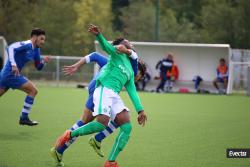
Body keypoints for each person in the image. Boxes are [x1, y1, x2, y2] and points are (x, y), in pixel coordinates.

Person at [51, 24, 147, 167]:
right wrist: (99, 36)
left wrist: (141, 110)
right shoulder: (115, 57)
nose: (137, 78)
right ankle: (72, 141)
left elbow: (132, 89)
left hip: (110, 94)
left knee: (123, 119)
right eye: (138, 76)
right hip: (99, 89)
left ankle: (105, 156)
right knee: (95, 121)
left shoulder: (129, 70)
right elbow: (98, 53)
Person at [0, 28, 50, 126]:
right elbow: (10, 48)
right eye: (41, 39)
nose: (43, 42)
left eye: (44, 39)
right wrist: (14, 64)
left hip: (8, 75)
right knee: (33, 91)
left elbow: (38, 67)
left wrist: (43, 61)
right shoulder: (27, 44)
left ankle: (24, 118)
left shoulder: (36, 50)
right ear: (34, 37)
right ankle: (24, 118)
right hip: (10, 74)